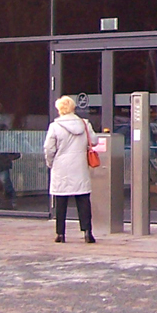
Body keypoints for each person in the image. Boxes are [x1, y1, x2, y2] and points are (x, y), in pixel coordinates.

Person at [44, 95, 96, 244]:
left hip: (61, 167)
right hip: (80, 165)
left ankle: (60, 233)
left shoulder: (55, 126)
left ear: (59, 109)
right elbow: (94, 141)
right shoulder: (84, 124)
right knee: (83, 199)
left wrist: (50, 163)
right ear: (73, 107)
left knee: (61, 200)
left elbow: (48, 148)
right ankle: (87, 232)